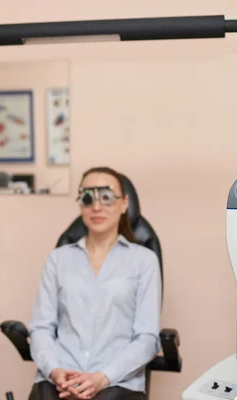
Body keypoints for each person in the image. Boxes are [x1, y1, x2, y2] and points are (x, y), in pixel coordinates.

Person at [28, 167, 161, 400]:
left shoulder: (144, 260)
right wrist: (55, 371)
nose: (97, 207)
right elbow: (41, 327)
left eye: (107, 197)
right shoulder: (58, 259)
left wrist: (102, 377)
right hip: (60, 380)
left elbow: (147, 338)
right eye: (88, 197)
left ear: (124, 204)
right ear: (80, 203)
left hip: (118, 381)